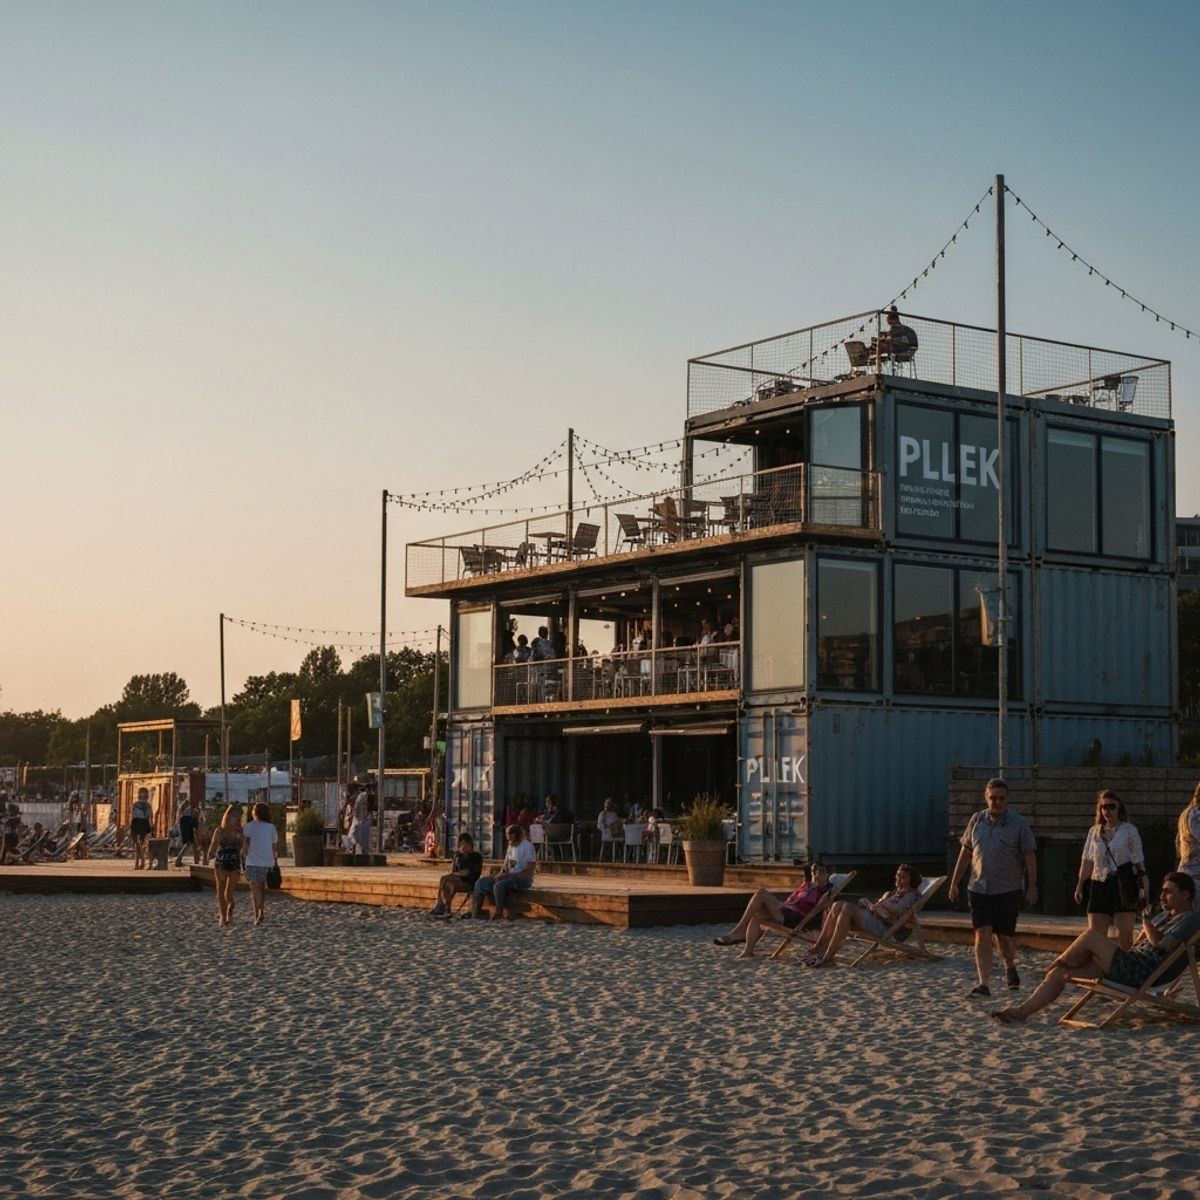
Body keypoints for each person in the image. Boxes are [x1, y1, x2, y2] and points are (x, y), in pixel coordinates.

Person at [992, 872, 1200, 1024]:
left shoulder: (1190, 919)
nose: (1162, 897)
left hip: (1140, 972)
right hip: (1132, 963)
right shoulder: (1165, 916)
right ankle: (1021, 1012)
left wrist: (1145, 921)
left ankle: (1053, 964)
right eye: (1162, 892)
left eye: (1168, 893)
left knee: (1091, 936)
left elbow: (1162, 946)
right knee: (1059, 973)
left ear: (1186, 895)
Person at [948, 777, 1038, 997]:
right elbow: (966, 852)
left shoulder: (1019, 823)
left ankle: (1009, 965)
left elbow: (1029, 855)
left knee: (1004, 937)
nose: (996, 802)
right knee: (982, 934)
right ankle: (984, 983)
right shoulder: (977, 820)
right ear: (986, 798)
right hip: (979, 887)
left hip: (1008, 889)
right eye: (992, 798)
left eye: (1001, 798)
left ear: (1007, 800)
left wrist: (1032, 885)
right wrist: (954, 882)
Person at [802, 865, 922, 966]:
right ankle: (819, 947)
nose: (898, 879)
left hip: (887, 929)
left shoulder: (911, 895)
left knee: (847, 908)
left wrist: (879, 905)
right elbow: (881, 906)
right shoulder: (896, 893)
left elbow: (897, 911)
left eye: (903, 877)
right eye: (897, 875)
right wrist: (874, 904)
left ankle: (828, 955)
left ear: (912, 881)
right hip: (876, 919)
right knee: (837, 905)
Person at [714, 861, 833, 959]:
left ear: (828, 874)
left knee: (761, 893)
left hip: (798, 918)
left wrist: (801, 925)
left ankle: (738, 931)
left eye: (820, 871)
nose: (816, 873)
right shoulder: (806, 886)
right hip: (787, 911)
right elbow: (791, 900)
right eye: (813, 870)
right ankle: (748, 951)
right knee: (758, 916)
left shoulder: (826, 891)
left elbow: (815, 912)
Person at [1074, 789, 1147, 949]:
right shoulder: (1094, 832)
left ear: (1119, 808)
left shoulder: (1129, 830)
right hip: (1100, 883)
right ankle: (1101, 967)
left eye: (1112, 806)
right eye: (1104, 807)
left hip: (1122, 882)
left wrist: (1144, 888)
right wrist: (1080, 885)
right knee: (1095, 934)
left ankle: (1125, 966)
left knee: (1125, 934)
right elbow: (1087, 860)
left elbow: (1139, 862)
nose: (1108, 811)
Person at [470, 824, 536, 920]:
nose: (508, 838)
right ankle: (477, 911)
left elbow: (528, 872)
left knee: (499, 886)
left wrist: (510, 876)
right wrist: (499, 875)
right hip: (508, 876)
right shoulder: (510, 847)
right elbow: (505, 866)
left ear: (516, 835)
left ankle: (499, 911)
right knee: (480, 883)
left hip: (523, 879)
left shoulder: (527, 847)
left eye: (510, 835)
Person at [242, 802, 279, 927]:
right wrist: (275, 861)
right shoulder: (271, 827)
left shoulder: (249, 826)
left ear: (255, 813)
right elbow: (274, 846)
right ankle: (260, 911)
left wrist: (243, 856)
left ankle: (257, 914)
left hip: (253, 861)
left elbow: (246, 844)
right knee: (261, 888)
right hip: (267, 862)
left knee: (254, 889)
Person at [430, 832, 484, 916]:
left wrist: (454, 875)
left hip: (469, 882)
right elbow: (454, 870)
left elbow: (467, 872)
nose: (463, 847)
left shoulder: (475, 857)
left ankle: (445, 907)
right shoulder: (458, 855)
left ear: (470, 845)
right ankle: (441, 904)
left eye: (465, 845)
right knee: (444, 879)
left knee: (449, 881)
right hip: (457, 880)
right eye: (461, 845)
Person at [208, 804, 244, 927]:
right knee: (220, 889)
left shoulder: (240, 831)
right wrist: (210, 854)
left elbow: (243, 847)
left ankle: (231, 906)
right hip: (221, 862)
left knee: (229, 893)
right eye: (233, 816)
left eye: (238, 817)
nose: (236, 819)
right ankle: (223, 916)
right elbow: (213, 844)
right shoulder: (220, 831)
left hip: (234, 863)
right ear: (227, 817)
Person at [1176, 782, 1200, 910]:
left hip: (1188, 874)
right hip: (1195, 878)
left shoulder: (1188, 813)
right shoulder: (1196, 815)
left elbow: (1178, 846)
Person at [130, 787, 154, 870]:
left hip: (143, 824)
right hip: (137, 823)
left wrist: (151, 827)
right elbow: (133, 815)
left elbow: (150, 817)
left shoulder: (148, 806)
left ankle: (143, 862)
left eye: (145, 795)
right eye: (142, 794)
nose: (143, 797)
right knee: (137, 844)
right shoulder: (136, 805)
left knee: (142, 844)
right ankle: (138, 862)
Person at [174, 800, 200, 868]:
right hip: (187, 823)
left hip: (186, 823)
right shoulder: (186, 812)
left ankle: (196, 861)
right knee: (188, 843)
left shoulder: (184, 811)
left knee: (190, 843)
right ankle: (178, 859)